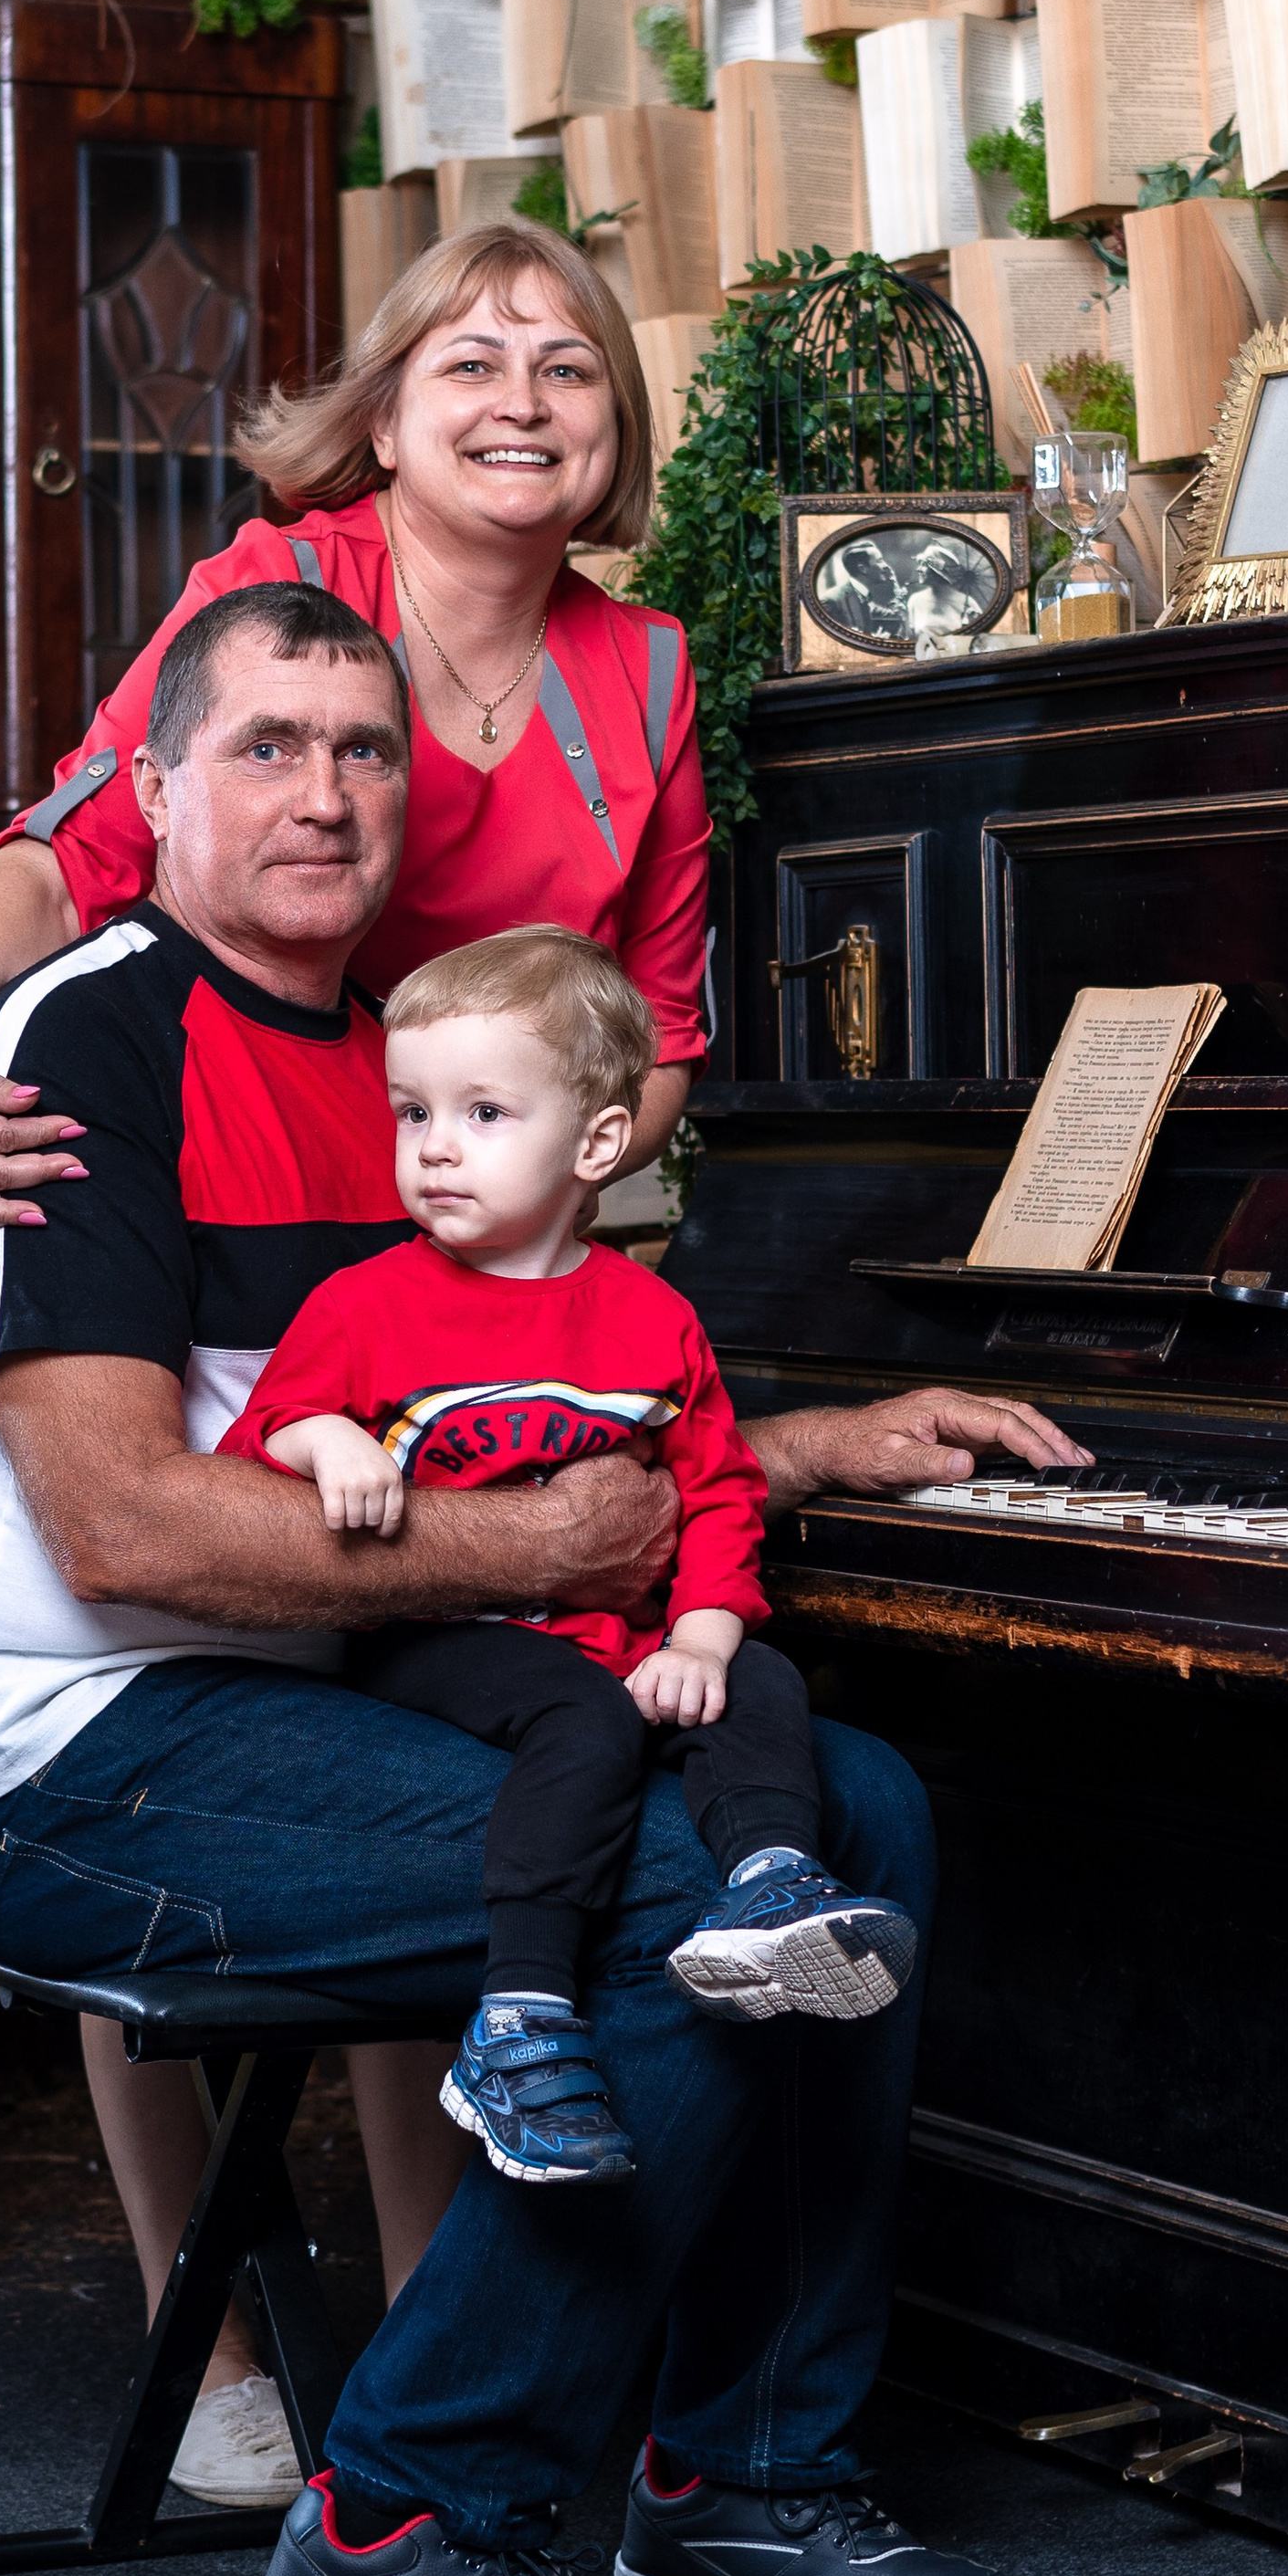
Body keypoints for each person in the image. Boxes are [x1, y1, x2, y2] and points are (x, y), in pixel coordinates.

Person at [0, 580, 1090, 2576]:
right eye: (265, 746)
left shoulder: (413, 1060)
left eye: (363, 751)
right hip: (75, 1760)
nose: (326, 792)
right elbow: (119, 1517)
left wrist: (790, 1450)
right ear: (152, 792)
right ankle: (396, 2524)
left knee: (852, 1811)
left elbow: (526, 1402)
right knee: (664, 1879)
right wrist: (537, 1540)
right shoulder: (84, 1035)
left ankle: (737, 2473)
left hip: (317, 1692)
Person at [0, 223, 712, 2498]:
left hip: (444, 1186)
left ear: (617, 420)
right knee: (192, 1617)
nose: (521, 397)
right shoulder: (284, 587)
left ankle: (446, 2374)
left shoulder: (639, 672)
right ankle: (225, 2337)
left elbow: (653, 1022)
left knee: (471, 1744)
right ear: (386, 394)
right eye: (470, 357)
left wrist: (568, 1272)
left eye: (568, 365)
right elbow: (79, 845)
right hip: (216, 1116)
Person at [230, 924, 916, 2189]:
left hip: (624, 1638)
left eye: (483, 1110)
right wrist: (333, 1444)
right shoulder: (367, 1303)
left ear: (597, 1142)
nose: (433, 1143)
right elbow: (266, 1427)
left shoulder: (653, 1317)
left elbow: (715, 1491)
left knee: (762, 1681)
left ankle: (768, 1888)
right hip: (445, 1644)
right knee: (587, 1722)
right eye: (412, 1110)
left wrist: (707, 1630)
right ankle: (520, 2016)